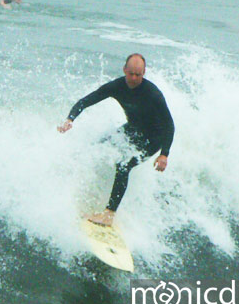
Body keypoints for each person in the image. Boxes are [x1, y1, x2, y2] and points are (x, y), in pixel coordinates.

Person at [57, 53, 175, 226]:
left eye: (138, 74)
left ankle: (109, 215)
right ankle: (84, 195)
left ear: (144, 73)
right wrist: (70, 119)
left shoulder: (153, 93)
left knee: (123, 166)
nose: (134, 78)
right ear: (124, 70)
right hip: (132, 130)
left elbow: (169, 125)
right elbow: (86, 100)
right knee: (97, 148)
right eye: (131, 73)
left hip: (153, 138)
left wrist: (164, 154)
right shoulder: (117, 86)